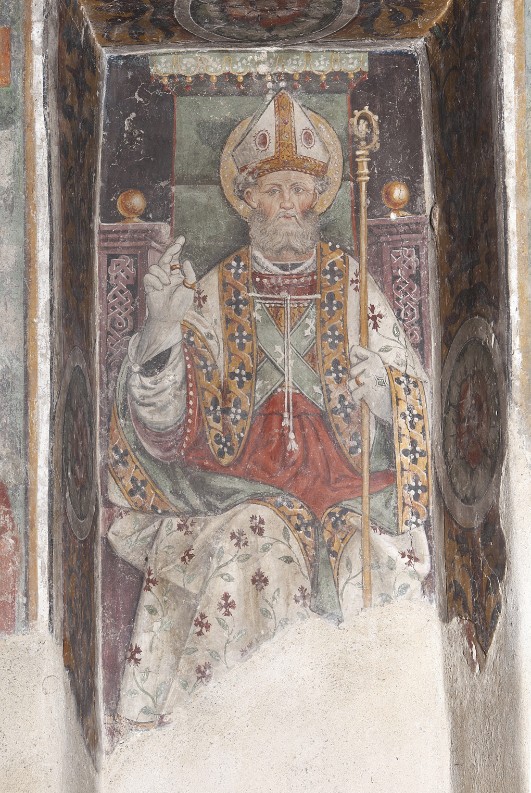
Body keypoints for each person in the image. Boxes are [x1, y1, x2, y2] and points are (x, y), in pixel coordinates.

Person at [107, 90, 431, 725]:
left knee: (374, 566)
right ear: (247, 198)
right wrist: (162, 332)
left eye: (300, 190)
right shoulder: (210, 292)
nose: (288, 204)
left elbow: (415, 405)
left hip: (348, 493)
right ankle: (223, 729)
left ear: (319, 199)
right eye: (274, 189)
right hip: (237, 490)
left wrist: (386, 394)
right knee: (254, 546)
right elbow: (161, 430)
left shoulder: (352, 285)